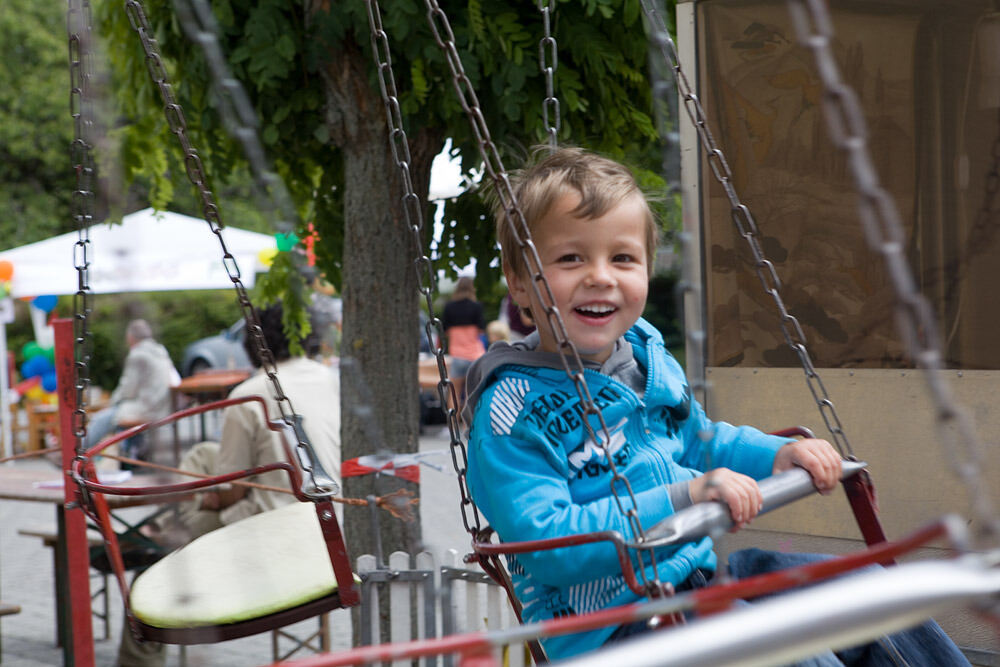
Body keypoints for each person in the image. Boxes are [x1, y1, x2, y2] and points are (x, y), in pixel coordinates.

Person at [461, 147, 969, 664]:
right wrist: (687, 496)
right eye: (571, 258)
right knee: (784, 649)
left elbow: (702, 441)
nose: (601, 276)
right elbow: (549, 543)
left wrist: (776, 455)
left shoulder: (645, 361)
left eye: (622, 258)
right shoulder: (512, 410)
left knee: (862, 592)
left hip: (697, 577)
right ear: (520, 281)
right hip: (614, 627)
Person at [117, 302, 341, 667]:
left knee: (150, 570)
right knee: (205, 453)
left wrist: (205, 504)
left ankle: (169, 526)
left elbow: (230, 492)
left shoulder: (249, 393)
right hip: (326, 521)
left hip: (272, 533)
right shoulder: (326, 377)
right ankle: (174, 517)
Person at [86, 319, 180, 459]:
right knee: (112, 417)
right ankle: (133, 453)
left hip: (146, 408)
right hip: (163, 406)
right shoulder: (161, 352)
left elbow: (127, 389)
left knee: (101, 419)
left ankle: (79, 453)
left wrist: (111, 402)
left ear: (130, 337)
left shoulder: (137, 355)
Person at [442, 275, 487, 405]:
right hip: (475, 354)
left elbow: (445, 330)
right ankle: (470, 424)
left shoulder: (449, 307)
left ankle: (452, 424)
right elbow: (481, 330)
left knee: (454, 392)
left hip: (457, 354)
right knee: (471, 393)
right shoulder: (476, 306)